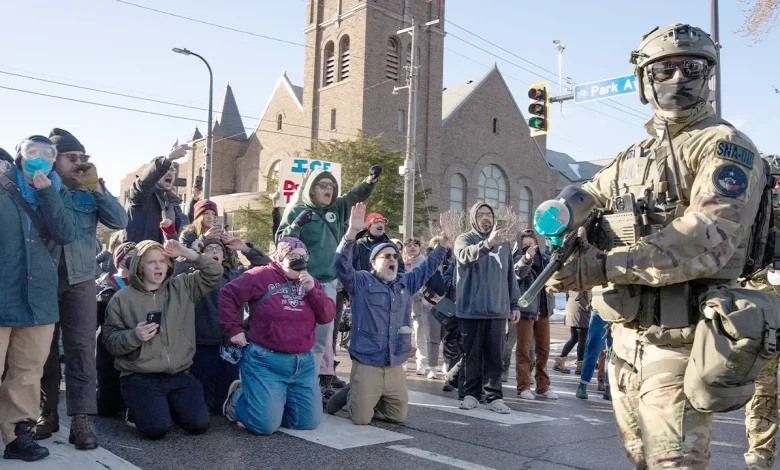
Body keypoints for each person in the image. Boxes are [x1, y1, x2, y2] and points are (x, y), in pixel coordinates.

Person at [543, 24, 769, 468]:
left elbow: (708, 236)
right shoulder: (634, 156)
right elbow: (589, 192)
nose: (678, 79)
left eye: (692, 68)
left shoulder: (724, 146)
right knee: (642, 458)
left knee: (675, 463)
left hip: (681, 341)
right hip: (626, 340)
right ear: (646, 80)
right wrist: (563, 213)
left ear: (708, 76)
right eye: (664, 69)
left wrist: (603, 267)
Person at [37, 128, 128, 450]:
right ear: (53, 159)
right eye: (71, 157)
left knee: (80, 350)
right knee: (44, 351)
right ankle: (47, 414)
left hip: (80, 280)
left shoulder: (90, 190)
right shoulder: (43, 186)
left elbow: (119, 220)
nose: (78, 163)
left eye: (82, 158)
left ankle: (81, 420)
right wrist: (61, 186)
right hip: (44, 279)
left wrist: (98, 186)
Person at [327, 203, 448, 424]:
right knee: (361, 419)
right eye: (385, 256)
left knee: (397, 417)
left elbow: (427, 267)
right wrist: (352, 233)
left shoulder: (405, 282)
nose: (392, 259)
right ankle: (355, 392)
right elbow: (341, 264)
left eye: (394, 255)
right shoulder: (362, 281)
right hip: (367, 362)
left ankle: (372, 394)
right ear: (374, 263)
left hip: (394, 365)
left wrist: (443, 242)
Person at [1, 135, 76, 462]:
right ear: (19, 156)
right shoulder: (3, 187)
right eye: (32, 152)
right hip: (3, 293)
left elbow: (66, 233)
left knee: (28, 373)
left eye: (48, 154)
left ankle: (19, 435)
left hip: (40, 300)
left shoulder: (56, 191)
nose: (40, 159)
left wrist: (47, 191)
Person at [276, 166, 381, 401]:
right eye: (323, 185)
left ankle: (307, 388)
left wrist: (370, 179)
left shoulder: (337, 208)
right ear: (312, 189)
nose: (329, 190)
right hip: (301, 284)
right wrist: (297, 225)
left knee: (321, 339)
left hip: (328, 285)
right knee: (297, 335)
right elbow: (281, 241)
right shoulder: (297, 209)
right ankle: (288, 385)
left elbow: (355, 195)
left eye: (332, 186)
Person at [102, 239, 222, 440]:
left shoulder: (183, 286)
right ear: (140, 266)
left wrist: (186, 251)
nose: (158, 266)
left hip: (178, 373)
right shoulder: (121, 298)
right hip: (140, 375)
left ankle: (164, 406)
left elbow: (214, 272)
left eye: (163, 261)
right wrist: (134, 335)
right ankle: (138, 407)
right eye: (151, 262)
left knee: (198, 424)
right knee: (156, 429)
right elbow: (110, 341)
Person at [220, 237, 335, 435]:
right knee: (264, 426)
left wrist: (313, 290)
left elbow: (326, 316)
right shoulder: (259, 276)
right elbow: (227, 295)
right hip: (265, 360)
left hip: (303, 363)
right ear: (281, 257)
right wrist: (235, 330)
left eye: (303, 257)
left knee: (307, 422)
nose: (299, 261)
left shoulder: (309, 281)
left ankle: (271, 404)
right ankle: (237, 399)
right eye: (292, 256)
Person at [186, 236, 271, 415]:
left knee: (224, 401)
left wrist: (246, 248)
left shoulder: (237, 276)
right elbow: (173, 270)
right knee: (202, 402)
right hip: (202, 343)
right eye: (209, 249)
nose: (215, 251)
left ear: (224, 256)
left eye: (218, 249)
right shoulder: (192, 277)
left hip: (230, 344)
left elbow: (266, 267)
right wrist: (191, 252)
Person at [453, 202, 520, 414]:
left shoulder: (504, 245)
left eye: (489, 214)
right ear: (474, 218)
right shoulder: (464, 239)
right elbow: (464, 256)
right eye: (481, 215)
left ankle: (494, 397)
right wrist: (487, 244)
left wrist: (514, 304)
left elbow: (511, 277)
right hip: (471, 310)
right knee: (471, 355)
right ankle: (471, 394)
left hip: (498, 311)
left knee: (495, 356)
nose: (486, 218)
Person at [511, 230, 557, 400]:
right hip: (526, 311)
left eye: (532, 244)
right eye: (525, 245)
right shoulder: (517, 258)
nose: (530, 248)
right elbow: (518, 273)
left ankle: (543, 386)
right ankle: (523, 386)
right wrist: (526, 258)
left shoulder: (545, 259)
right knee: (524, 351)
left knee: (544, 350)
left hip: (543, 310)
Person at [95, 242, 136, 418]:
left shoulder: (143, 282)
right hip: (108, 342)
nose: (134, 260)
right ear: (119, 260)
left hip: (134, 339)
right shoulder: (104, 283)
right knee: (108, 403)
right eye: (130, 256)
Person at [125, 142, 191, 244]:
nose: (169, 172)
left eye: (172, 169)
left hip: (161, 258)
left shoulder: (174, 206)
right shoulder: (140, 195)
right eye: (166, 169)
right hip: (138, 257)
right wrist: (167, 159)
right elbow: (144, 183)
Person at [404, 238, 429, 375]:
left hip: (420, 304)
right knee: (404, 334)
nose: (412, 247)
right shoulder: (402, 262)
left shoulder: (424, 262)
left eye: (415, 245)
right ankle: (403, 362)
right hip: (404, 305)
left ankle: (422, 363)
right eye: (409, 245)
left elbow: (427, 282)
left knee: (420, 335)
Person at [575, 311, 613, 400]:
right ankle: (582, 385)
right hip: (600, 312)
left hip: (619, 314)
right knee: (593, 350)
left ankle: (609, 387)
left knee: (612, 354)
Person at [553, 291, 590, 375]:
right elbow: (579, 296)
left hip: (573, 310)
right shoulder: (581, 282)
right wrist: (589, 307)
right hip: (580, 313)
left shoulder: (572, 281)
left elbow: (569, 296)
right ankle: (580, 366)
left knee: (574, 338)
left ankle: (560, 361)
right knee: (582, 341)